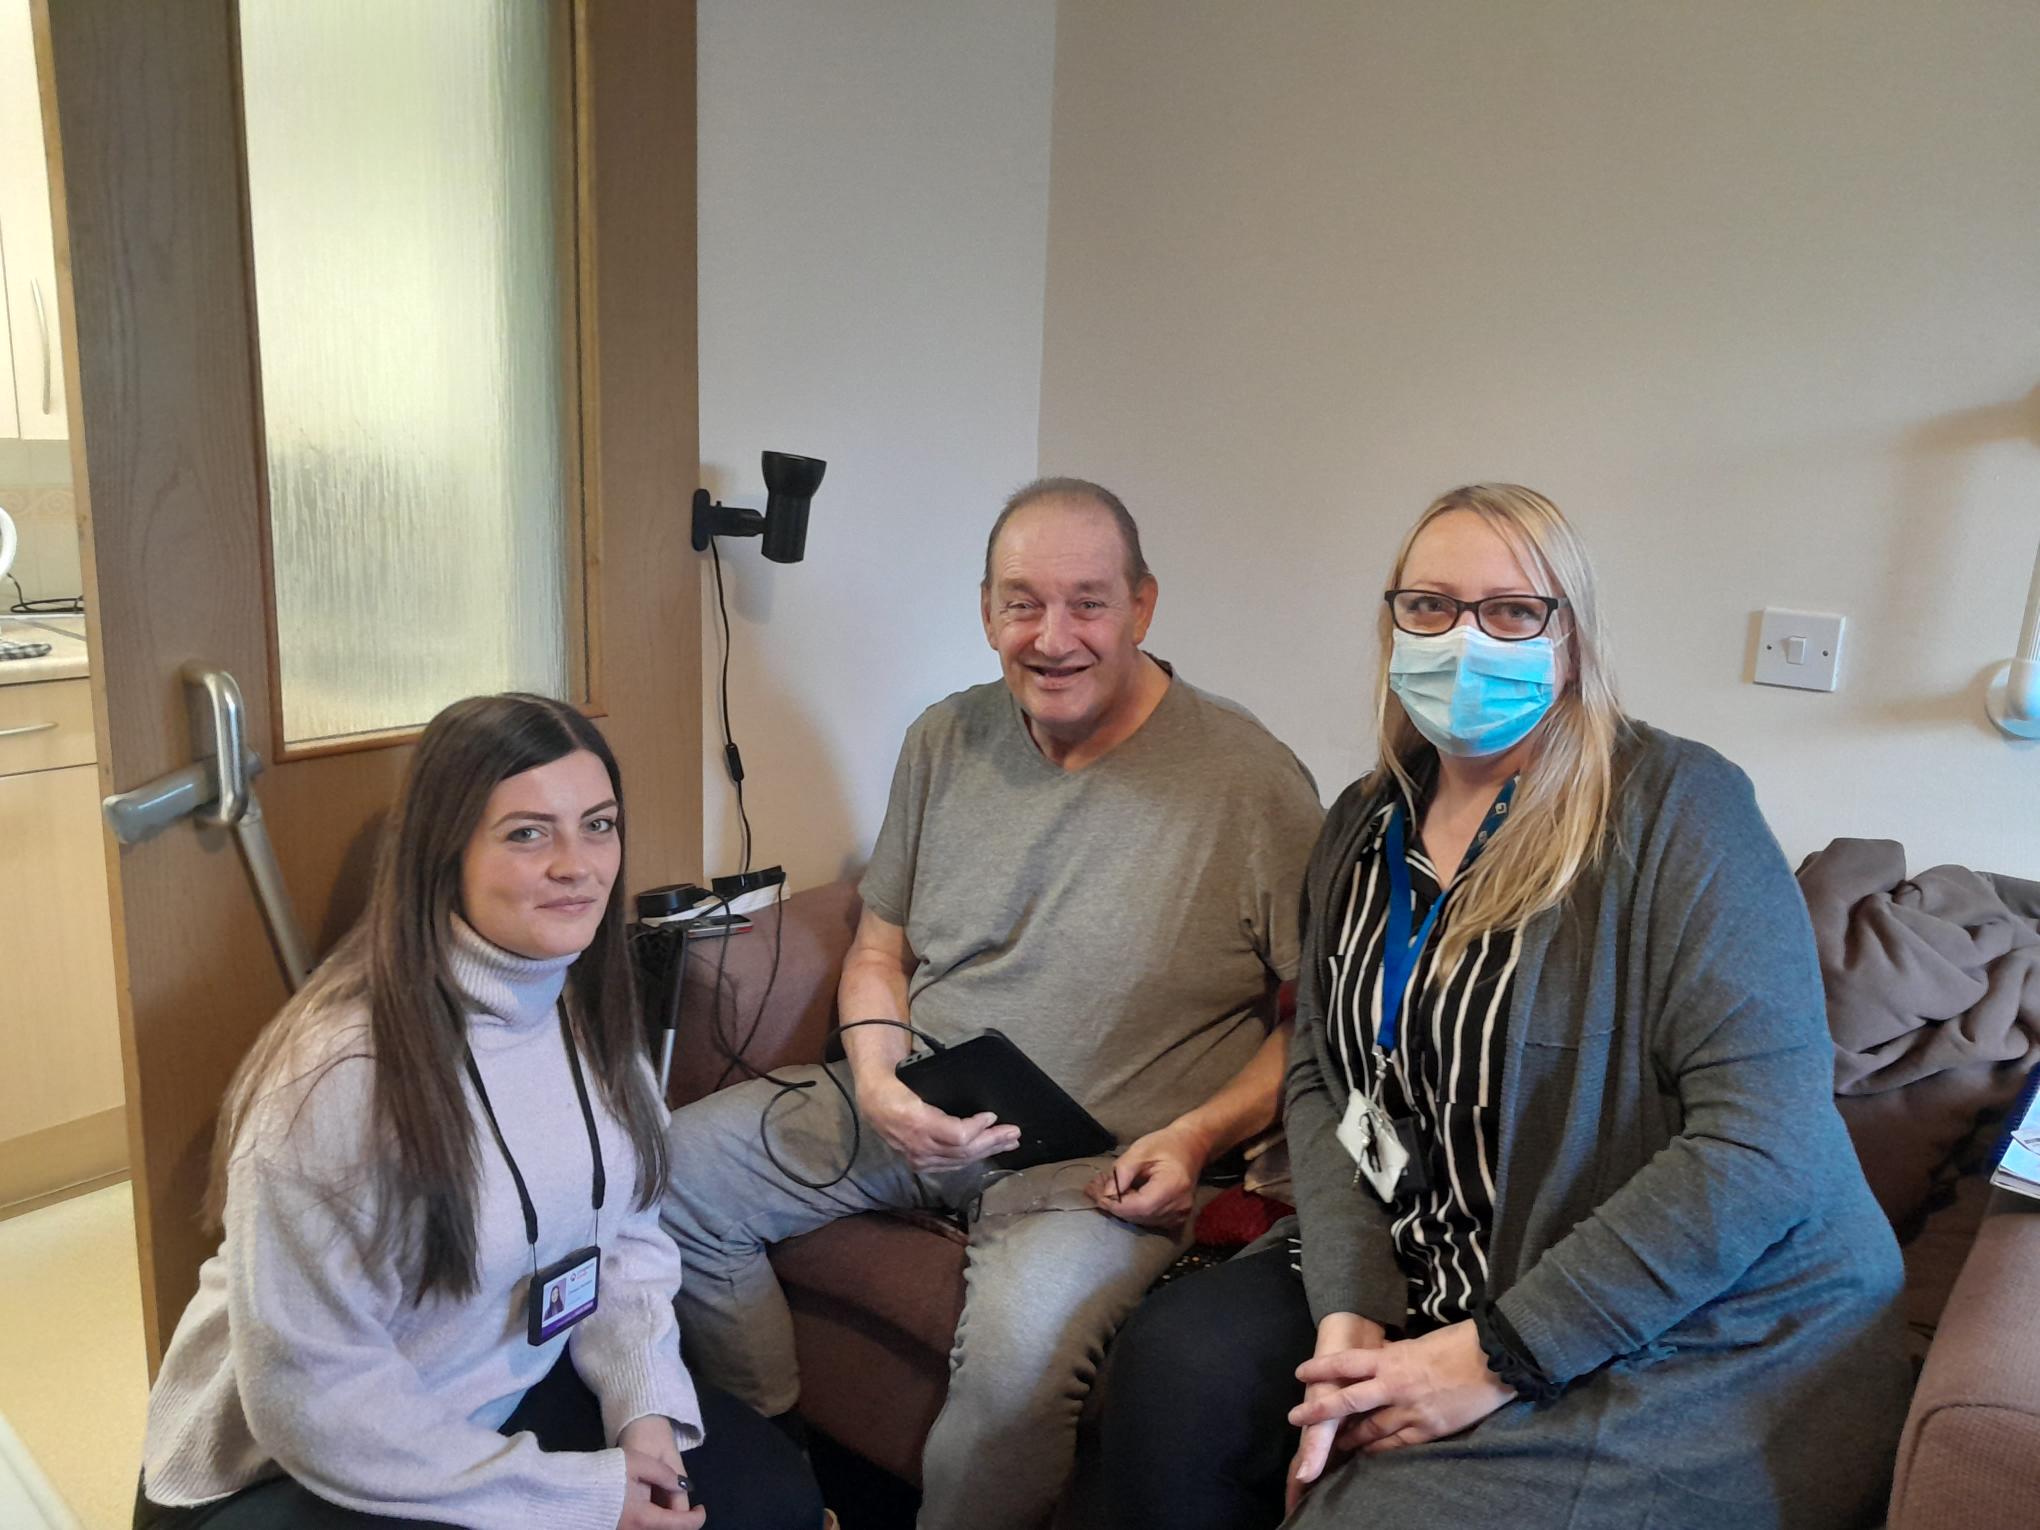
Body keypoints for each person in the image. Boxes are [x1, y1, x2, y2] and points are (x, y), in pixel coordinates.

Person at [1082, 485, 1911, 1530]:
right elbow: (1325, 1079)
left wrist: (1491, 1357)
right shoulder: (1363, 821)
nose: (1466, 638)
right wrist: (1350, 1313)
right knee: (1174, 1373)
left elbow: (1769, 1143)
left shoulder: (1678, 810)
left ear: (1571, 641)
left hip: (1715, 1316)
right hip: (1454, 1261)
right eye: (1429, 606)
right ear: (1393, 625)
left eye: (1513, 611)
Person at [662, 478, 1325, 1529]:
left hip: (1094, 1168)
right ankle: (787, 1479)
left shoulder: (1250, 783)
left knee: (1016, 1381)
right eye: (1021, 603)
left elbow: (1316, 1027)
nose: (1051, 637)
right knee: (673, 1176)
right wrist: (878, 1081)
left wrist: (1196, 1142)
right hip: (920, 1101)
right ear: (984, 613)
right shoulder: (944, 739)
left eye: (1088, 602)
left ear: (1144, 607)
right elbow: (879, 945)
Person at [135, 694, 824, 1530]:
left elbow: (628, 1240)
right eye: (528, 833)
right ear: (444, 853)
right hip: (303, 1463)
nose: (579, 864)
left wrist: (642, 1412)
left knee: (775, 1496)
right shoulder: (331, 1081)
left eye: (598, 825)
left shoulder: (586, 1009)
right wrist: (577, 1499)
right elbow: (312, 1401)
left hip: (500, 1391)